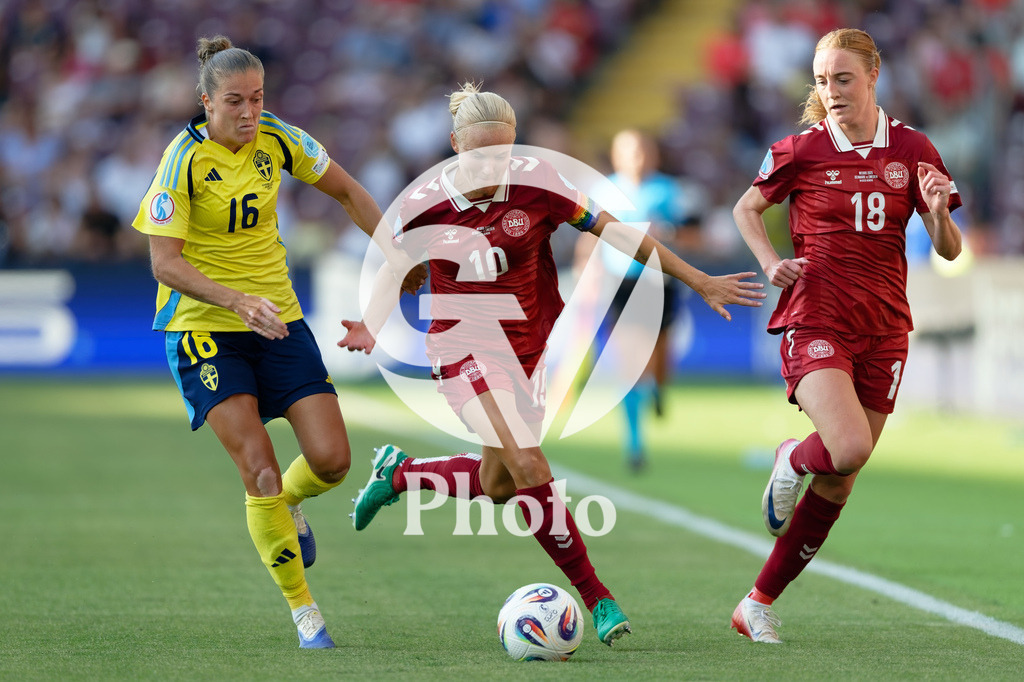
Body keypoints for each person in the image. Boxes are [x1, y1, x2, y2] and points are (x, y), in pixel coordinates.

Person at [337, 82, 766, 646]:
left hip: (526, 349)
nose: (496, 166)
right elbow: (395, 267)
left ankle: (399, 473)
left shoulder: (540, 185)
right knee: (531, 467)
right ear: (454, 146)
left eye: (505, 154)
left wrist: (699, 278)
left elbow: (618, 233)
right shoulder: (423, 205)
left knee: (498, 484)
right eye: (481, 155)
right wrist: (371, 322)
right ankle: (599, 599)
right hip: (461, 344)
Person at [131, 36, 414, 649]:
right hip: (203, 330)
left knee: (333, 462)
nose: (248, 112)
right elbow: (163, 263)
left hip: (279, 318)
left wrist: (395, 250)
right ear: (206, 101)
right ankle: (304, 611)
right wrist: (235, 301)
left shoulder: (280, 139)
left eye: (257, 98)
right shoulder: (180, 161)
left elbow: (347, 191)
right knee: (257, 470)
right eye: (234, 101)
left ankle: (291, 502)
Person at [728, 28, 962, 643]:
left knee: (839, 476)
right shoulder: (801, 149)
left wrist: (937, 215)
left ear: (873, 76)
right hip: (816, 316)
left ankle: (755, 603)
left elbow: (950, 250)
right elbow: (746, 209)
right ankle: (791, 456)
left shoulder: (913, 149)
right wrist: (769, 261)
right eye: (822, 80)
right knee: (849, 448)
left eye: (843, 78)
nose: (830, 91)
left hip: (885, 329)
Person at [575, 128, 704, 471]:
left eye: (643, 151)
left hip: (660, 283)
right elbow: (589, 237)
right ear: (616, 156)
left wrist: (671, 233)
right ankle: (634, 445)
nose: (637, 158)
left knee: (659, 360)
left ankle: (660, 389)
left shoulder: (671, 191)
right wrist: (585, 274)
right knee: (630, 365)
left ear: (654, 155)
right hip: (621, 283)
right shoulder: (603, 191)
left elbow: (695, 235)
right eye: (629, 151)